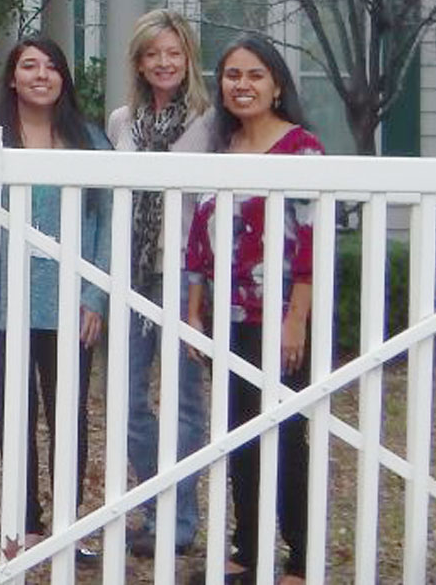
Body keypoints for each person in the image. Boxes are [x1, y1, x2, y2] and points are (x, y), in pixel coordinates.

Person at [183, 35, 321, 585]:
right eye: (232, 75)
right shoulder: (222, 149)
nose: (242, 85)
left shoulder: (303, 150)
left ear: (277, 85)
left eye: (255, 75)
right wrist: (194, 312)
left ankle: (301, 559)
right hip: (228, 320)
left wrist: (296, 320)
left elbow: (311, 245)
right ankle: (250, 549)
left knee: (287, 436)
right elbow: (200, 242)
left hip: (282, 320)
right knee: (238, 435)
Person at [0, 36, 110, 559]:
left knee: (69, 416)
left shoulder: (91, 141)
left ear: (64, 78)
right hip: (3, 304)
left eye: (51, 66)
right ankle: (24, 523)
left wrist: (95, 296)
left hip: (71, 305)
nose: (41, 75)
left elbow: (108, 225)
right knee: (13, 414)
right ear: (12, 78)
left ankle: (66, 524)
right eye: (29, 66)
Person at [106, 9, 214, 557]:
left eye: (173, 53)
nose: (164, 63)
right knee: (126, 401)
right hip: (130, 271)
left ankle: (179, 519)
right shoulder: (121, 121)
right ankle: (157, 504)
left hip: (183, 273)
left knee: (183, 401)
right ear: (139, 62)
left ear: (188, 58)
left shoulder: (209, 122)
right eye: (153, 54)